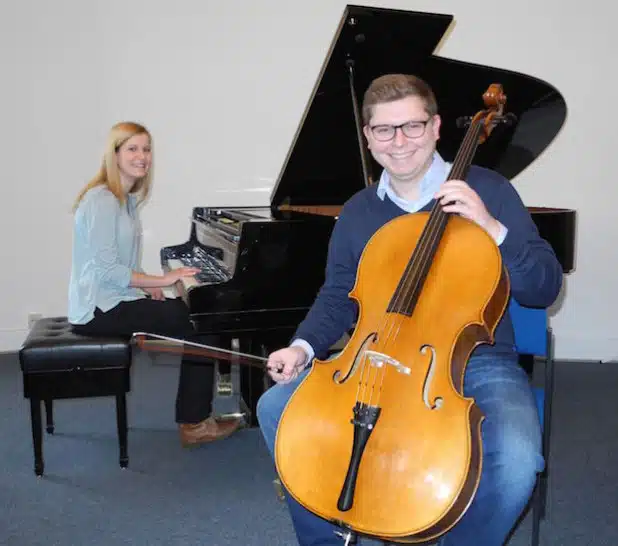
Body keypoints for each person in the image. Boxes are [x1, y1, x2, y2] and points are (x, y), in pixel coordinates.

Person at [256, 74, 563, 545]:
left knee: (518, 457)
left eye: (413, 126)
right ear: (368, 138)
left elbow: (543, 287)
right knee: (277, 408)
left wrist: (490, 226)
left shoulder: (490, 190)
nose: (399, 142)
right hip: (376, 354)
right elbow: (338, 295)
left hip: (476, 359)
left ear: (437, 127)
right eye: (384, 130)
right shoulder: (359, 211)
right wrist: (301, 347)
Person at [68, 121, 242, 447]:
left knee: (196, 315)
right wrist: (162, 278)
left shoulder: (124, 200)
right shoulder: (102, 201)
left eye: (146, 149)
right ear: (115, 154)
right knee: (200, 320)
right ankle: (194, 423)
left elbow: (121, 266)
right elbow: (107, 271)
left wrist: (146, 285)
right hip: (99, 309)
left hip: (112, 300)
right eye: (132, 148)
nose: (142, 156)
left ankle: (195, 415)